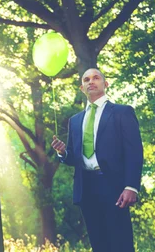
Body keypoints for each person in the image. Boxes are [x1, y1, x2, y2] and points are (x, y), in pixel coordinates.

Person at [51, 68, 143, 252]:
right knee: (99, 244)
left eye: (96, 78)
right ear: (81, 88)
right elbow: (73, 157)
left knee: (121, 243)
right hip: (86, 188)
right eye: (86, 79)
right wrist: (63, 153)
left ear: (105, 84)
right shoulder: (75, 121)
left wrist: (131, 186)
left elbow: (134, 151)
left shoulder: (121, 112)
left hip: (115, 187)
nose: (91, 81)